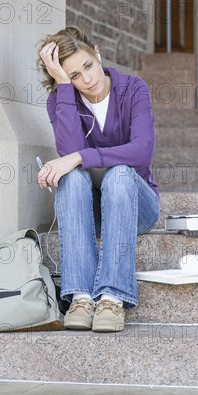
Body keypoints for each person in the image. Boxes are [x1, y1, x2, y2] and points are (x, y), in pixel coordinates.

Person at [37, 26, 159, 333]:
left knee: (118, 174)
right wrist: (63, 87)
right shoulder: (61, 100)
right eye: (74, 75)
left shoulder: (133, 88)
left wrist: (80, 157)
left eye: (88, 66)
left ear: (97, 51)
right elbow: (69, 154)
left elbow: (141, 152)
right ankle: (80, 297)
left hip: (135, 206)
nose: (87, 79)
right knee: (72, 179)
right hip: (90, 211)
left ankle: (112, 297)